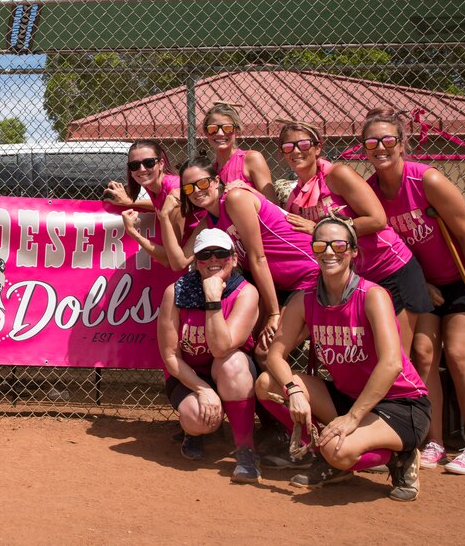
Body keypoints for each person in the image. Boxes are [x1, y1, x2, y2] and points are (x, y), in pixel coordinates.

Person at [256, 216, 431, 502]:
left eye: (338, 245)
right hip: (349, 396)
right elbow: (274, 355)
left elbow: (392, 363)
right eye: (320, 245)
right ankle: (323, 457)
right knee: (266, 384)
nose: (328, 252)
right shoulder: (306, 298)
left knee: (338, 450)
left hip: (399, 403)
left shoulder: (373, 296)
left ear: (352, 252)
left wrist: (352, 418)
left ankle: (401, 455)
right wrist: (293, 389)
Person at [362, 108, 465, 474]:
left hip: (464, 278)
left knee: (457, 353)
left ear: (402, 143)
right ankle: (433, 440)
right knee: (422, 355)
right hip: (423, 282)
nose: (380, 147)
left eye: (388, 140)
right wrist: (422, 283)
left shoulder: (427, 180)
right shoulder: (371, 193)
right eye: (371, 142)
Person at [279, 120, 432, 351]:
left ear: (318, 147)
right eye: (288, 147)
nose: (296, 151)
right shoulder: (295, 198)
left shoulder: (337, 175)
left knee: (403, 355)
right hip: (359, 282)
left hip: (391, 269)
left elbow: (377, 219)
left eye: (303, 143)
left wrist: (320, 229)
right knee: (374, 355)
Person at [160, 158, 318, 352]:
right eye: (189, 188)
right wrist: (165, 217)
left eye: (202, 183)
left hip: (308, 276)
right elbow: (179, 262)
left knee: (265, 354)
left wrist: (273, 313)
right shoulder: (209, 221)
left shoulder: (235, 199)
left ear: (216, 181)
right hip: (280, 285)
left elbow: (258, 257)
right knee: (249, 348)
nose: (197, 191)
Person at [158, 228, 261, 482]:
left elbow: (221, 348)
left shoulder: (245, 292)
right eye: (205, 255)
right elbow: (170, 355)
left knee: (231, 362)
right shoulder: (177, 292)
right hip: (189, 377)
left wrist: (213, 300)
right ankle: (196, 433)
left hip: (229, 373)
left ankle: (246, 451)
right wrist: (203, 389)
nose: (213, 260)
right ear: (195, 261)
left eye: (221, 253)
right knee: (197, 419)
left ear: (234, 259)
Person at [106, 140, 188, 268]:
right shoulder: (153, 185)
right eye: (135, 165)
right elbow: (159, 204)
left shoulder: (174, 192)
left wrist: (132, 232)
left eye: (149, 163)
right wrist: (130, 203)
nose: (142, 169)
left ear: (161, 164)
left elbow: (170, 259)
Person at [202, 102, 277, 200]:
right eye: (212, 129)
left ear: (237, 131)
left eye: (227, 128)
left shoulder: (251, 159)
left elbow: (273, 203)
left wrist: (246, 189)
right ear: (206, 133)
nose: (220, 133)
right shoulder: (210, 170)